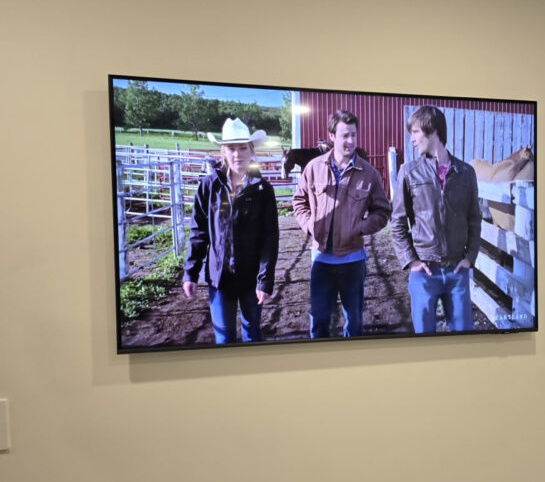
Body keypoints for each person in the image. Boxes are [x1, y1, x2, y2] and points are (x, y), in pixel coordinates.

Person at [292, 109, 391, 338]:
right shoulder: (314, 168)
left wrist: (360, 228)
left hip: (353, 261)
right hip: (321, 260)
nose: (350, 141)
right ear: (332, 136)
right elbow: (299, 201)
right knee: (319, 320)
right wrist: (309, 225)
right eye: (345, 135)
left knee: (354, 321)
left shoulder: (368, 173)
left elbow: (382, 211)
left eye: (354, 135)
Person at [182, 118, 279, 344]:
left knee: (252, 332)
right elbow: (199, 231)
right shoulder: (209, 186)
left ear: (251, 150)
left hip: (251, 277)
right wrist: (191, 272)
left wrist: (264, 280)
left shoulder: (263, 190)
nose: (238, 155)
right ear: (223, 151)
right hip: (220, 276)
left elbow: (269, 238)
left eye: (243, 148)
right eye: (232, 149)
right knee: (223, 335)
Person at [391, 105, 481, 334]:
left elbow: (474, 219)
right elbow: (398, 223)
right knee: (424, 338)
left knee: (465, 337)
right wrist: (411, 261)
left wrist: (470, 257)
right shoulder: (409, 173)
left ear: (433, 131)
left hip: (457, 271)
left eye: (415, 132)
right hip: (424, 273)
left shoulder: (466, 173)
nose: (411, 139)